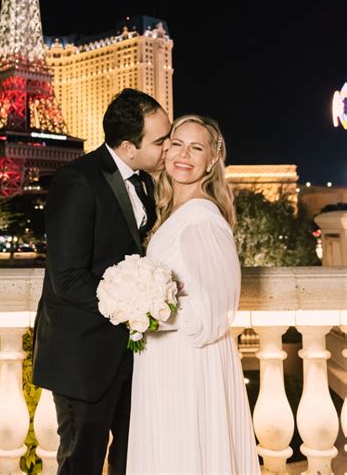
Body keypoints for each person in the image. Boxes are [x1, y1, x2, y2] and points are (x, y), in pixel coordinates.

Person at [32, 88, 171, 474]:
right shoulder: (76, 181)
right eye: (160, 140)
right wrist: (133, 306)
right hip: (84, 355)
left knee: (130, 457)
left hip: (130, 354)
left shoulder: (144, 180)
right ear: (128, 146)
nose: (168, 147)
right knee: (82, 463)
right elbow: (68, 279)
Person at [127, 114, 260, 474]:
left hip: (187, 364)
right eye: (177, 144)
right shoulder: (173, 212)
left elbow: (213, 315)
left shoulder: (202, 218)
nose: (184, 155)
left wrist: (147, 308)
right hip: (166, 359)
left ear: (211, 159)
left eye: (196, 147)